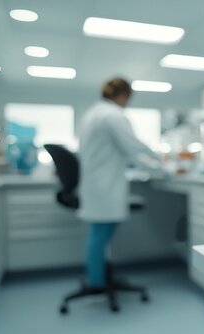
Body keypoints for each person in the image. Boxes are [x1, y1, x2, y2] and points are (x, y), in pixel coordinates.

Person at [78, 78, 159, 288]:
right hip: (105, 184)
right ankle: (97, 283)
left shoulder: (93, 113)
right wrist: (159, 163)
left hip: (96, 182)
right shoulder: (113, 115)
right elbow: (133, 148)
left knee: (99, 233)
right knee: (101, 233)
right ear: (123, 95)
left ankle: (98, 277)